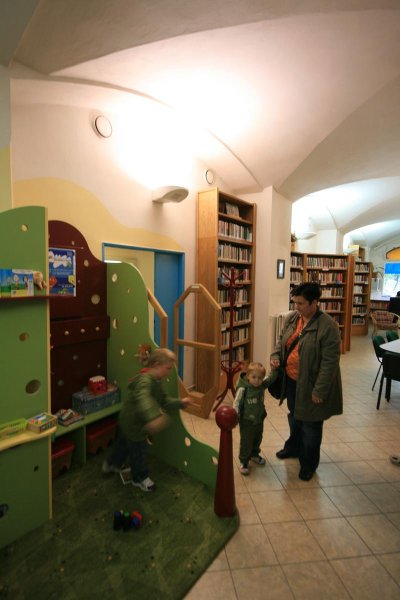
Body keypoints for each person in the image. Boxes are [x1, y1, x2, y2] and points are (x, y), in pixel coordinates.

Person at [271, 282, 343, 481]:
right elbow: (281, 341)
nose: (296, 307)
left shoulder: (328, 326)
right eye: (295, 302)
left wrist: (319, 391)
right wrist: (275, 355)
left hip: (312, 385)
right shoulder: (293, 318)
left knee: (311, 425)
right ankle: (293, 448)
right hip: (292, 381)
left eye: (301, 303)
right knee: (295, 417)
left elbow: (330, 363)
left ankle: (309, 464)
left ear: (314, 302)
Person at [102, 348, 193, 491]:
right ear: (157, 364)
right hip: (135, 423)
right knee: (139, 451)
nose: (169, 372)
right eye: (168, 368)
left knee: (124, 444)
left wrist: (180, 403)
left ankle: (112, 463)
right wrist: (153, 417)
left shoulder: (157, 381)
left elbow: (164, 400)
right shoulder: (145, 381)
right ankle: (139, 478)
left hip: (129, 420)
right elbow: (143, 398)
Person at [233, 361, 278, 475]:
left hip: (259, 420)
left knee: (258, 438)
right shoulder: (243, 389)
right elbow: (236, 403)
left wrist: (274, 370)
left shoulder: (261, 386)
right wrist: (235, 416)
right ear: (248, 376)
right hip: (247, 420)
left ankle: (254, 454)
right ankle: (244, 461)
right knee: (246, 441)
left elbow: (270, 379)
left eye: (260, 378)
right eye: (254, 377)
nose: (257, 380)